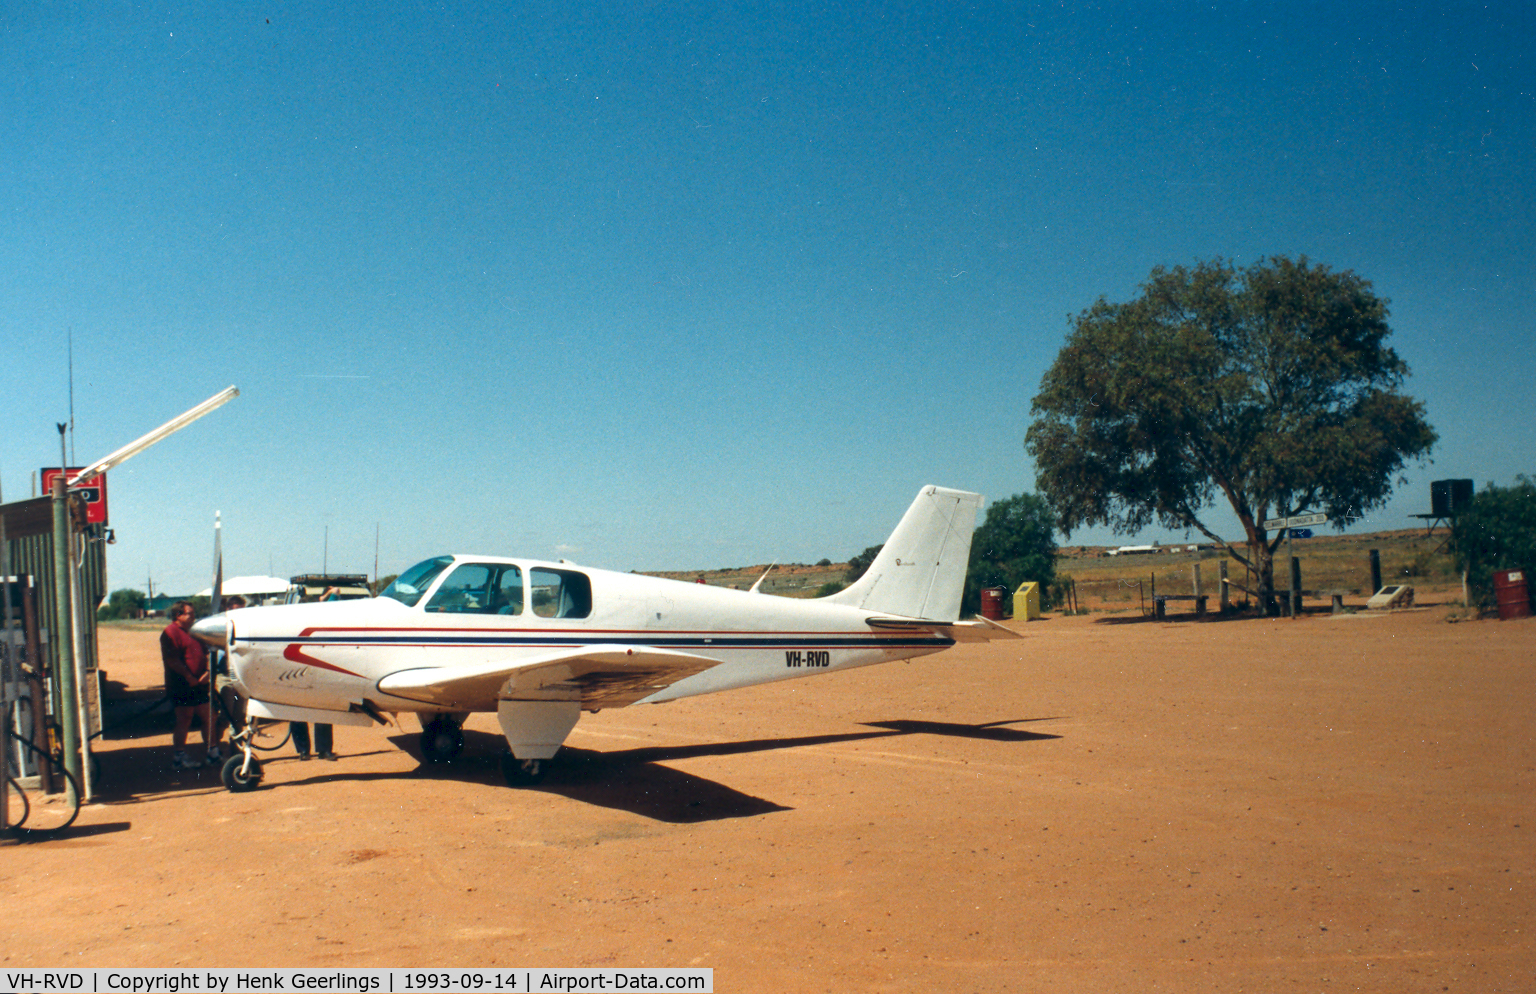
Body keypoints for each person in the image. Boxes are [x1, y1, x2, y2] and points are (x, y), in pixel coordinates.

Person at [160, 600, 222, 770]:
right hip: (181, 684)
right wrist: (188, 676)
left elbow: (206, 654)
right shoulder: (170, 633)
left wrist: (208, 673)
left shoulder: (195, 632)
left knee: (210, 716)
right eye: (189, 614)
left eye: (193, 614)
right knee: (184, 718)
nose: (193, 617)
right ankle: (179, 758)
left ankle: (213, 753)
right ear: (178, 615)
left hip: (200, 683)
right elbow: (172, 660)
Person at [291, 586, 338, 761]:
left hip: (316, 669)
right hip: (296, 670)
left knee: (322, 709)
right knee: (295, 712)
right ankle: (304, 750)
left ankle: (323, 749)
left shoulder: (319, 627)